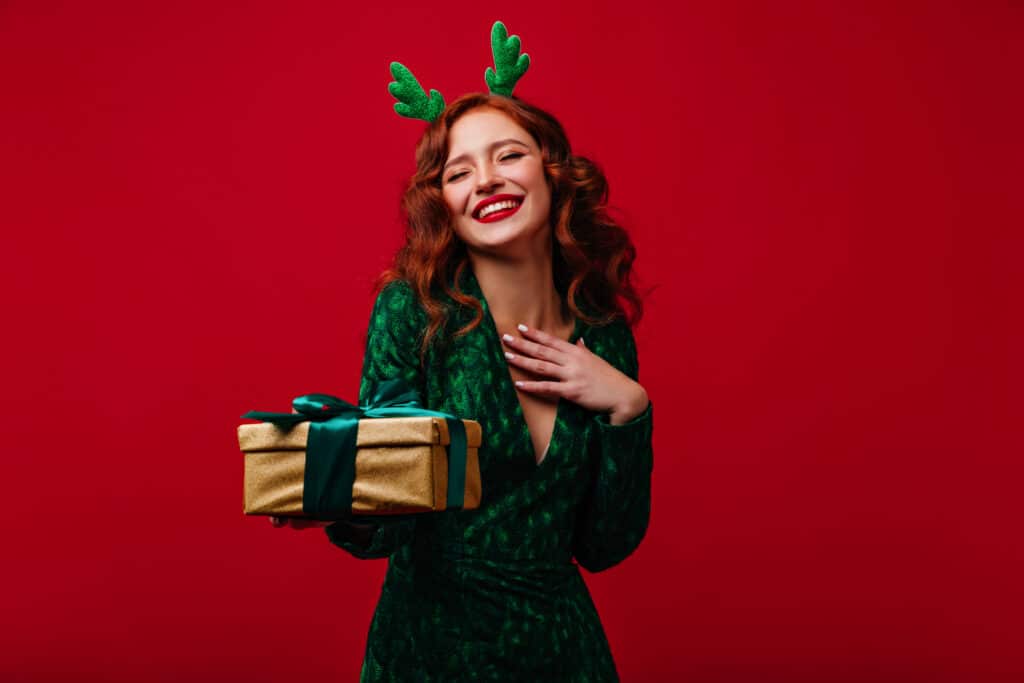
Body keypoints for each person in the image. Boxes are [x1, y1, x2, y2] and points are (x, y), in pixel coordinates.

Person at [272, 83, 652, 683]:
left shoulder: (602, 336)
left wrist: (629, 408)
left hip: (562, 651)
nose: (487, 180)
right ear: (442, 201)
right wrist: (345, 500)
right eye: (459, 171)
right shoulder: (413, 313)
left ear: (553, 173)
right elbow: (395, 521)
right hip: (429, 649)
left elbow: (605, 546)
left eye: (508, 155)